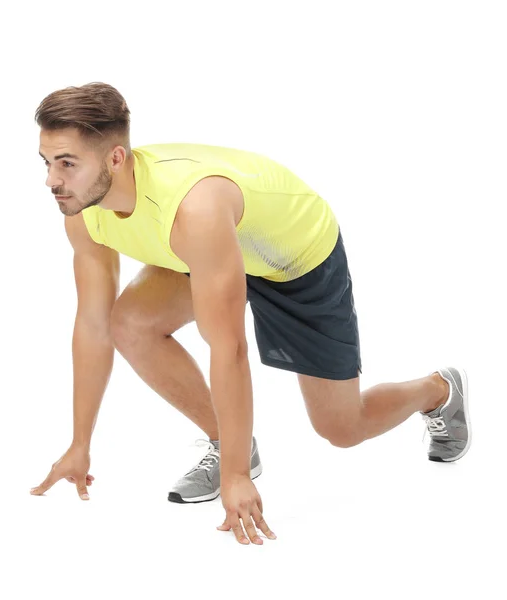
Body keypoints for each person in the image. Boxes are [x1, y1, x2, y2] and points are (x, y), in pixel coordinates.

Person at [29, 82, 472, 546]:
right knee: (129, 323)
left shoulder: (191, 210)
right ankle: (228, 443)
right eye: (47, 162)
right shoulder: (81, 206)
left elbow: (229, 347)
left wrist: (237, 479)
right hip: (208, 249)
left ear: (116, 158)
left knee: (342, 428)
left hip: (290, 256)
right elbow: (93, 325)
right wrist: (81, 444)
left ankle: (438, 390)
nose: (51, 180)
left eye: (67, 164)